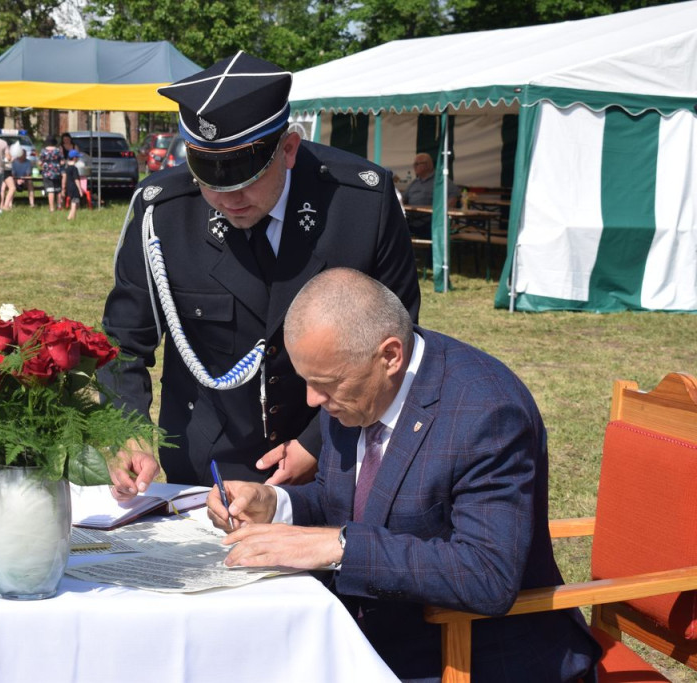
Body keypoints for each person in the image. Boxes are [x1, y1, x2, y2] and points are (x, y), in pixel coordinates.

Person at [207, 268, 601, 682]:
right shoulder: (354, 384)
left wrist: (340, 547)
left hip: (467, 656)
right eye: (307, 381)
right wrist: (276, 504)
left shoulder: (486, 413)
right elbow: (342, 501)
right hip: (360, 638)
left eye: (324, 384)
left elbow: (487, 575)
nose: (313, 400)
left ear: (390, 356)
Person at [99, 52, 421, 497]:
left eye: (246, 177)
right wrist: (127, 429)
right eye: (208, 178)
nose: (228, 197)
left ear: (288, 149)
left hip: (337, 454)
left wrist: (317, 442)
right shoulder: (164, 212)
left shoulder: (362, 203)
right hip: (209, 469)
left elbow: (400, 337)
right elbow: (123, 340)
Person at [401, 153, 458, 239]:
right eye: (414, 164)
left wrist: (441, 213)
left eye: (417, 164)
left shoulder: (440, 180)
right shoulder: (415, 182)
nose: (414, 167)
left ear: (427, 165)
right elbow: (403, 199)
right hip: (411, 221)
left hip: (431, 223)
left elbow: (454, 195)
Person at [0, 142, 35, 209]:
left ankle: (32, 203)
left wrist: (23, 180)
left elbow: (28, 174)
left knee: (30, 183)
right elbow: (12, 174)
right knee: (9, 185)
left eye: (25, 154)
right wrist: (17, 180)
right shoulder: (13, 162)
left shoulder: (28, 162)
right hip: (14, 179)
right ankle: (9, 204)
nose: (25, 156)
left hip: (24, 180)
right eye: (23, 154)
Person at [38, 136, 63, 212]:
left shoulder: (43, 151)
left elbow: (39, 163)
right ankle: (59, 206)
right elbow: (62, 162)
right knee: (58, 190)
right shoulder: (58, 151)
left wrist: (44, 164)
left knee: (50, 190)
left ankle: (51, 208)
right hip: (57, 172)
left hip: (47, 172)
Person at [62, 149, 82, 220]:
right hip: (74, 187)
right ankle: (71, 218)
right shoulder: (74, 168)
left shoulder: (66, 168)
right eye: (77, 157)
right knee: (74, 203)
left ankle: (70, 217)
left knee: (73, 202)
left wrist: (63, 188)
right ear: (74, 158)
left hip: (68, 187)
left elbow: (64, 178)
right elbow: (76, 179)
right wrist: (80, 189)